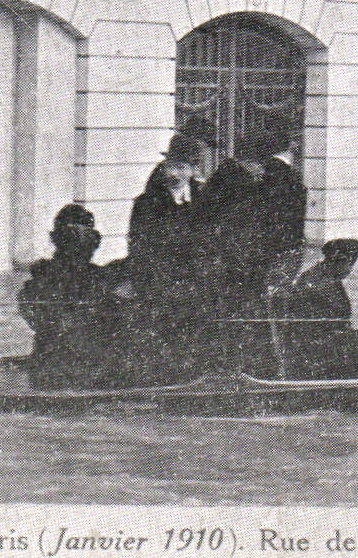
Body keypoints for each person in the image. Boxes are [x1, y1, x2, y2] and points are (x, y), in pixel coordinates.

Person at [201, 121, 307, 374]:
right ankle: (268, 369)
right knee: (261, 317)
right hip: (265, 260)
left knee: (240, 316)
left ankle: (239, 366)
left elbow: (208, 218)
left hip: (241, 260)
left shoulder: (236, 176)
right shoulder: (285, 179)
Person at [120, 131, 212, 382]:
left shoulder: (204, 201)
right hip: (159, 281)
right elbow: (138, 246)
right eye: (170, 166)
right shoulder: (147, 203)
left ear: (193, 170)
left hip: (193, 282)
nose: (173, 174)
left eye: (181, 167)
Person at [18, 204, 123, 389]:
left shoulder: (37, 281)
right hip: (90, 372)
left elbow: (33, 316)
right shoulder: (100, 280)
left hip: (45, 370)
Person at [274, 239, 358, 379]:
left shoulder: (313, 275)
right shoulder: (325, 286)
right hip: (320, 355)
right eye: (351, 264)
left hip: (308, 349)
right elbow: (332, 331)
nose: (350, 270)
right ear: (344, 260)